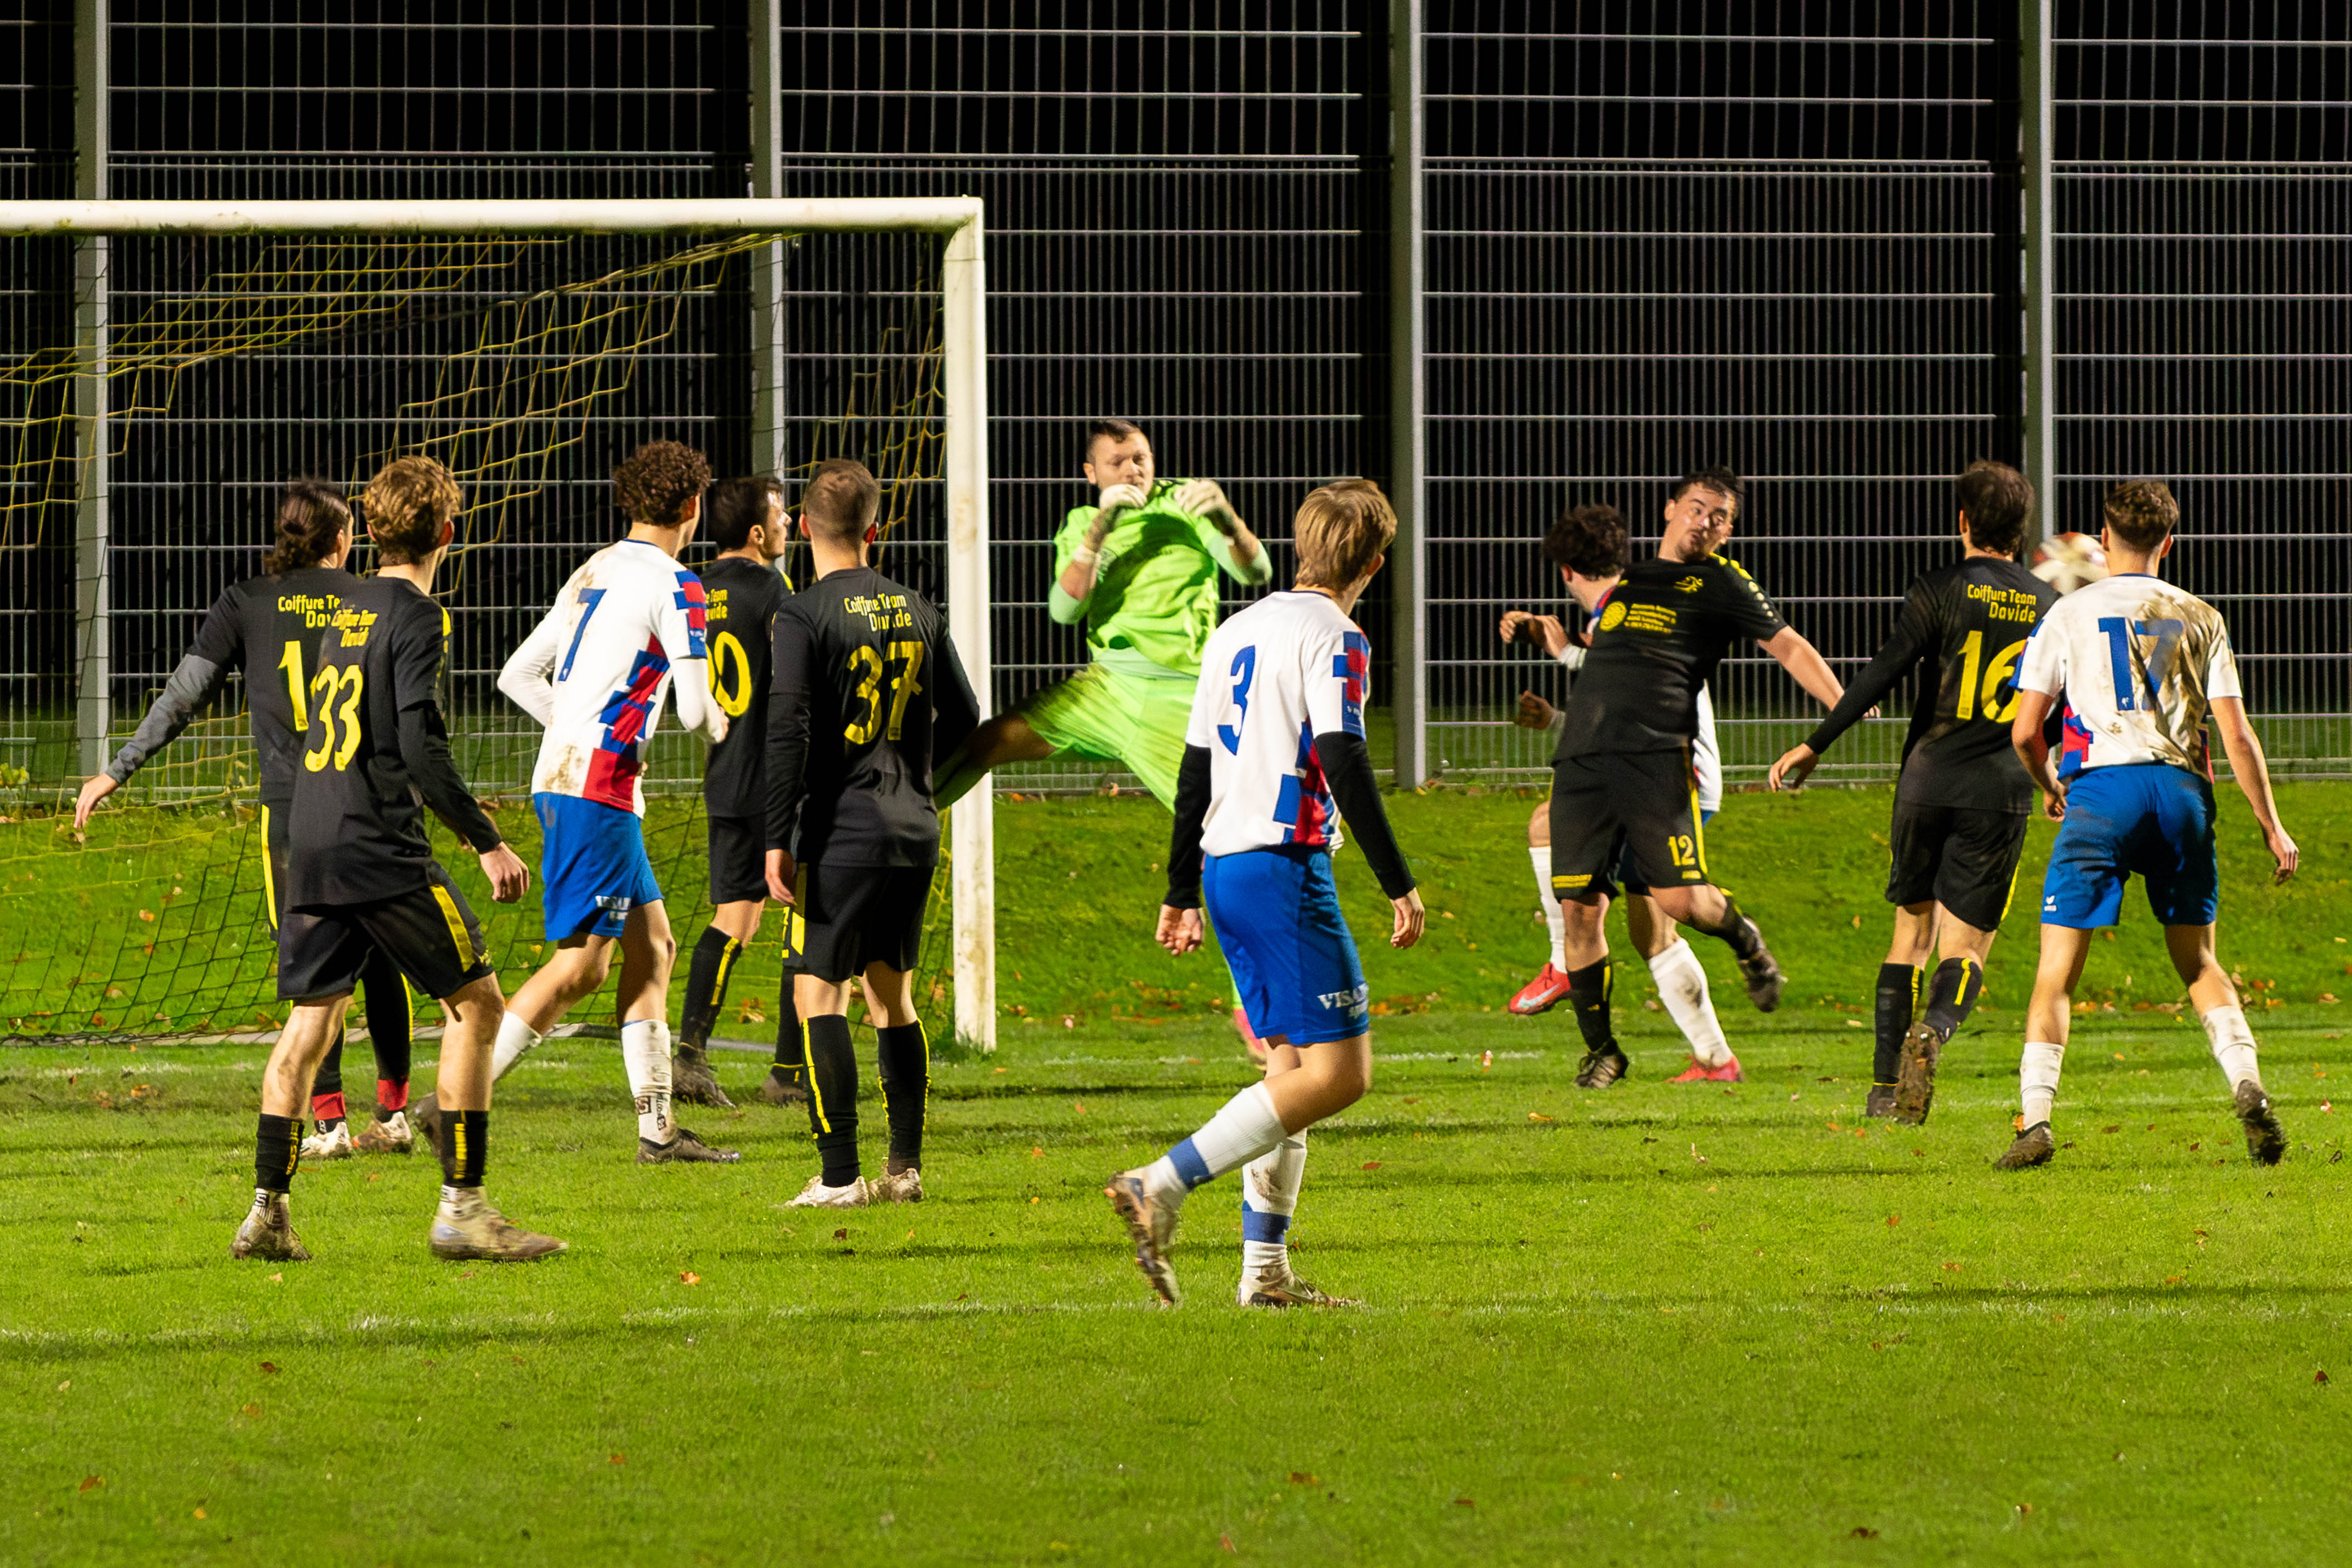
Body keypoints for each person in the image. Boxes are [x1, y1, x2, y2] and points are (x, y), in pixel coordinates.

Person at [1106, 479, 1424, 1309]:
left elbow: (1195, 768)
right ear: (1375, 564)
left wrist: (1180, 887)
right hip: (1283, 871)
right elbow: (1342, 753)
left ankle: (1266, 1276)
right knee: (1341, 1074)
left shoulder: (1236, 630)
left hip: (1226, 871)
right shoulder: (1337, 635)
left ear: (1299, 545)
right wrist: (1398, 881)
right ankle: (1158, 1182)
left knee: (1289, 1071)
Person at [233, 456, 559, 1263]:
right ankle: (463, 1211)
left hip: (309, 835)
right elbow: (419, 744)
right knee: (479, 1005)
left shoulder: (344, 605)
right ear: (447, 532)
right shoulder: (419, 615)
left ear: (372, 530)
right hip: (378, 844)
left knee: (310, 1023)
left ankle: (267, 1212)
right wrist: (487, 839)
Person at [413, 440, 738, 1164]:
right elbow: (695, 711)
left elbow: (517, 675)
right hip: (599, 788)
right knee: (581, 968)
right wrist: (724, 725)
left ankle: (658, 1132)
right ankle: (446, 1104)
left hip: (568, 776)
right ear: (693, 507)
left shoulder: (595, 568)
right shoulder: (679, 584)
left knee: (654, 947)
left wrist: (575, 729)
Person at [76, 481, 417, 1158]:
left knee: (313, 967)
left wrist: (119, 768)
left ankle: (330, 1125)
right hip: (373, 805)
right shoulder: (371, 598)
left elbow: (185, 695)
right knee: (383, 954)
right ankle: (395, 1113)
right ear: (342, 540)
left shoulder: (246, 601)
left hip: (295, 812)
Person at [929, 418, 1276, 1051]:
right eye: (1118, 462)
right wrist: (1099, 531)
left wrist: (1226, 518)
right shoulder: (1082, 524)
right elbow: (1065, 609)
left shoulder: (1186, 504)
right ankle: (881, 830)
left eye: (1140, 458)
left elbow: (1255, 572)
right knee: (986, 743)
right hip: (1105, 690)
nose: (1133, 470)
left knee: (1230, 840)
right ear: (1091, 474)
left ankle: (1254, 1009)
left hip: (1180, 702)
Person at [1994, 480, 2297, 1170]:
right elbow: (2237, 735)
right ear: (2169, 543)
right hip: (2181, 793)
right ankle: (2247, 1084)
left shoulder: (2067, 614)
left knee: (2056, 973)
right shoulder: (2200, 615)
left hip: (2102, 793)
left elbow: (2023, 732)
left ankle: (2035, 1122)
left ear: (2103, 541)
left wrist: (2051, 787)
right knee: (2199, 962)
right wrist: (2271, 826)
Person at [1768, 461, 2055, 1122]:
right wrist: (2054, 776)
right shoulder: (2048, 605)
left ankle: (1882, 1090)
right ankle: (1934, 1029)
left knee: (1909, 935)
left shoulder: (1938, 588)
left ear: (1963, 521)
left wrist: (1816, 744)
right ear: (2022, 529)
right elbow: (2057, 707)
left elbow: (1884, 670)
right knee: (1966, 948)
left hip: (1926, 782)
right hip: (1999, 790)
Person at [1542, 476, 1851, 1090]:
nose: (1704, 521)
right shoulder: (1630, 582)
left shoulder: (1721, 582)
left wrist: (1841, 704)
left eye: (1719, 516)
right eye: (1696, 508)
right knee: (1578, 909)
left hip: (1656, 761)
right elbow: (1598, 651)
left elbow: (1788, 646)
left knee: (1679, 902)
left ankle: (1746, 941)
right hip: (1583, 761)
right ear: (1671, 510)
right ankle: (1602, 1051)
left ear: (1727, 531)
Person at [763, 459, 981, 1208]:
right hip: (913, 831)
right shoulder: (918, 606)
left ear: (802, 527)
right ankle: (904, 1168)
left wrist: (777, 835)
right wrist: (917, 778)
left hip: (841, 833)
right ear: (875, 529)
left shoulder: (801, 614)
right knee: (892, 997)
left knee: (819, 995)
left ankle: (838, 1178)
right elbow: (966, 715)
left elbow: (788, 728)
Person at [1501, 479, 1739, 1083]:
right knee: (1650, 929)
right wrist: (1557, 719)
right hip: (1662, 769)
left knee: (1550, 830)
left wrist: (1561, 652)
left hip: (1674, 776)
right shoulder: (1630, 602)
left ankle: (1562, 964)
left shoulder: (1625, 607)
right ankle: (1716, 1060)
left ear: (1565, 572)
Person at [672, 475, 795, 1110]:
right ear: (755, 532)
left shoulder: (693, 592)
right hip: (775, 777)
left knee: (733, 921)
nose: (786, 522)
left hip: (724, 773)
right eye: (778, 514)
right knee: (805, 919)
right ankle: (789, 1072)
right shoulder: (773, 590)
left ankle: (689, 1056)